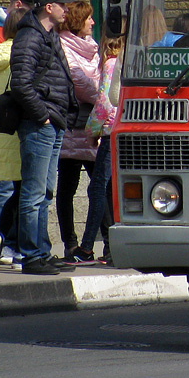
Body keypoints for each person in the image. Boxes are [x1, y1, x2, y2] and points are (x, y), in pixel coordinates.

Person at [10, 0, 79, 275]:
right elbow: (21, 84)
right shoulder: (29, 36)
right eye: (62, 4)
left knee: (46, 192)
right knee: (34, 192)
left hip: (54, 122)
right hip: (40, 123)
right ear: (48, 7)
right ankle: (31, 255)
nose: (67, 9)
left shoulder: (49, 35)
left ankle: (42, 251)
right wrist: (43, 117)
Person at [70, 28, 123, 266]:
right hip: (124, 131)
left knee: (97, 188)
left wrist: (92, 131)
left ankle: (88, 246)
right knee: (110, 189)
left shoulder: (112, 64)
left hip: (110, 131)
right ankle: (111, 248)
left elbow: (103, 102)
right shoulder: (130, 63)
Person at [56, 0, 102, 263]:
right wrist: (103, 98)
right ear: (77, 21)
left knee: (101, 187)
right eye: (88, 18)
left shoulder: (91, 49)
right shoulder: (64, 47)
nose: (92, 23)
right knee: (68, 188)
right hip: (74, 125)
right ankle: (71, 245)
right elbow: (81, 82)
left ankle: (105, 243)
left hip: (92, 125)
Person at [0, 8, 26, 269]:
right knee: (24, 192)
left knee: (4, 191)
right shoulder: (22, 57)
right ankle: (11, 244)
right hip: (14, 137)